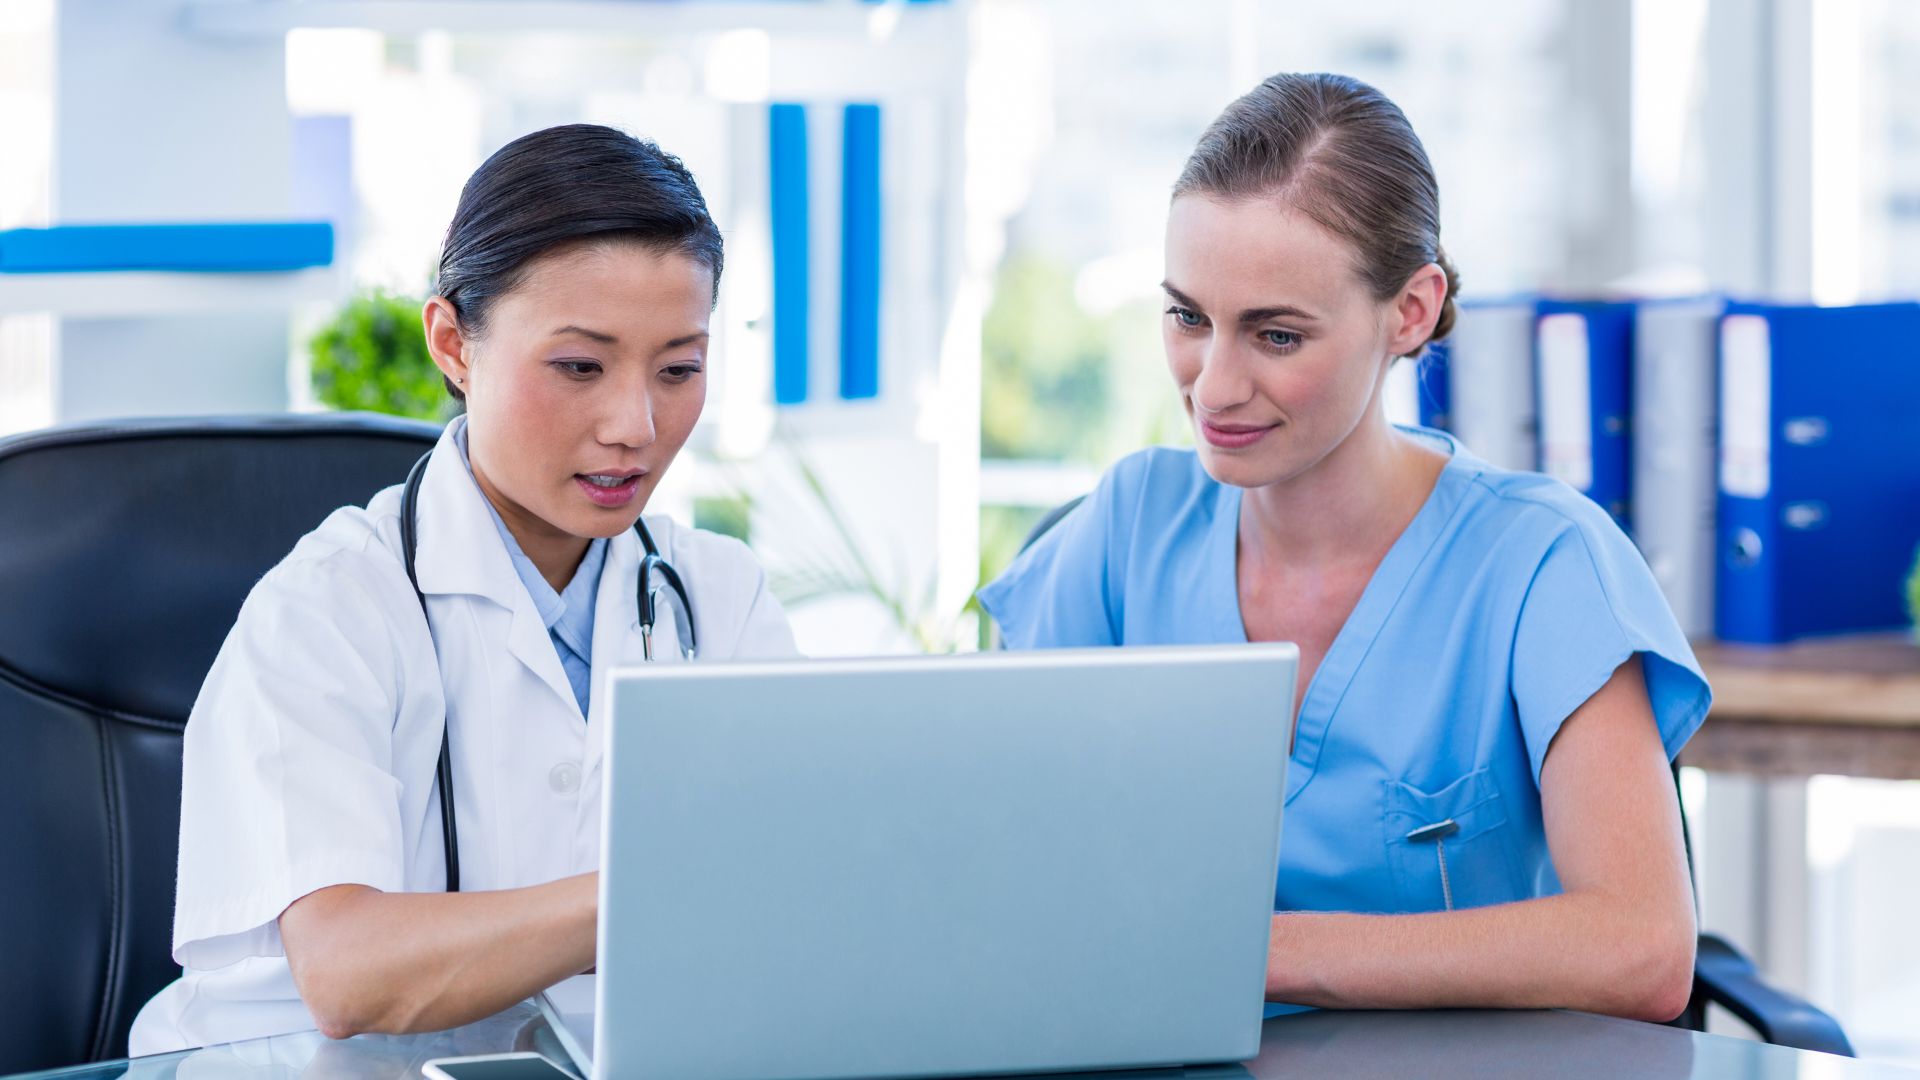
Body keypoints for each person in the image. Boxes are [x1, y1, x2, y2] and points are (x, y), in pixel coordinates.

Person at [977, 73, 1705, 1022]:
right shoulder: (1127, 530)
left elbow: (1642, 949)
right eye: (1190, 318)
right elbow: (990, 857)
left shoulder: (1543, 564)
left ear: (1409, 312)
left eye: (1276, 335)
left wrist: (1261, 950)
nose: (1214, 388)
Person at [130, 124, 796, 1055]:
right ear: (453, 343)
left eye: (679, 368)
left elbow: (797, 902)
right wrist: (666, 887)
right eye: (578, 367)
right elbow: (349, 973)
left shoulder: (716, 597)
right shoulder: (329, 607)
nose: (635, 425)